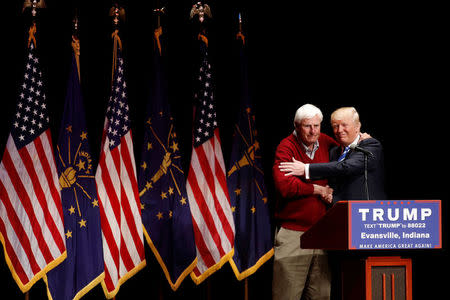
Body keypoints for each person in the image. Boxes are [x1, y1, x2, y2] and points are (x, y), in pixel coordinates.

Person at [272, 104, 338, 300]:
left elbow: (347, 159)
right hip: (294, 235)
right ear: (296, 125)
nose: (313, 131)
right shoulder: (286, 147)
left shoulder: (326, 142)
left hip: (321, 233)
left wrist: (363, 140)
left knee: (321, 295)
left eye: (317, 125)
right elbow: (286, 186)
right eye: (308, 126)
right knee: (287, 295)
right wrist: (317, 189)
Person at [279, 106, 386, 202]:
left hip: (368, 215)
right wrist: (330, 195)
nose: (339, 130)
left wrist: (306, 169)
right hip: (340, 215)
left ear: (357, 126)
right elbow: (334, 178)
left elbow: (347, 166)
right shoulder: (334, 151)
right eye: (335, 126)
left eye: (344, 125)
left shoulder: (370, 145)